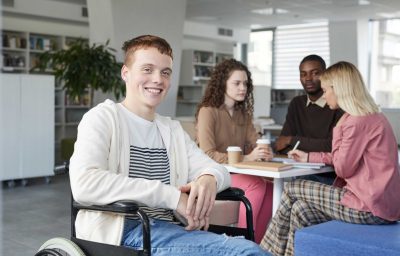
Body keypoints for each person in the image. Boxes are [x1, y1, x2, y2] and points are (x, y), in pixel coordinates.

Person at [69, 35, 268, 255]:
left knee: (246, 249)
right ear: (125, 73)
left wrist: (208, 179)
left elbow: (218, 169)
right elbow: (84, 183)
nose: (158, 79)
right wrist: (172, 197)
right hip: (124, 233)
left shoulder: (171, 130)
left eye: (165, 72)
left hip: (171, 230)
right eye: (147, 69)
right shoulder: (102, 118)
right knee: (246, 252)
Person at [260, 61, 400, 256]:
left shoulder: (354, 122)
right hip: (382, 206)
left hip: (368, 207)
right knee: (300, 209)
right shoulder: (373, 116)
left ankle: (264, 252)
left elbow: (343, 169)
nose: (324, 95)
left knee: (292, 187)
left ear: (339, 90)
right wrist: (308, 156)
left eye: (326, 90)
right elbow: (343, 156)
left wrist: (338, 126)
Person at [195, 58, 274, 243]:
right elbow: (207, 154)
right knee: (257, 185)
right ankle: (241, 244)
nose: (243, 88)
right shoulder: (208, 111)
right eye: (237, 83)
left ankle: (256, 244)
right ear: (223, 84)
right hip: (213, 174)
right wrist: (247, 157)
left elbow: (254, 142)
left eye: (245, 83)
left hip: (236, 172)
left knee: (271, 188)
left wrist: (263, 151)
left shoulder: (243, 115)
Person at [275, 54, 343, 154]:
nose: (308, 78)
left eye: (315, 73)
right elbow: (281, 144)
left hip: (328, 167)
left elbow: (332, 146)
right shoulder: (296, 104)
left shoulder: (336, 104)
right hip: (298, 166)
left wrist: (292, 140)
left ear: (325, 75)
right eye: (303, 74)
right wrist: (314, 146)